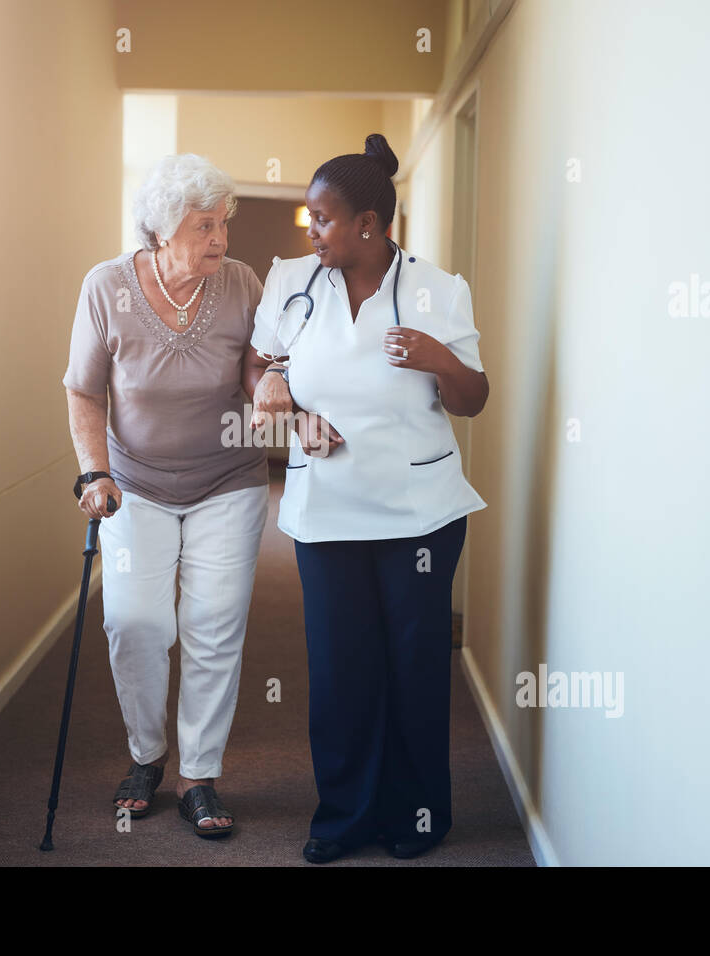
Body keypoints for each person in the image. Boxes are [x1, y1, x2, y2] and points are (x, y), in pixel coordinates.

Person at [243, 133, 490, 863]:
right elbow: (260, 363)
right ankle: (345, 817)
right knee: (342, 671)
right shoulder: (290, 280)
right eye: (310, 218)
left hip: (420, 513)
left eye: (322, 219)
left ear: (370, 225)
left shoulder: (437, 289)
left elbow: (473, 398)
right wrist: (277, 392)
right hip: (326, 512)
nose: (311, 231)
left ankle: (415, 816)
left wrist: (438, 358)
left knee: (414, 666)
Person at [64, 153, 268, 838]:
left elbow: (259, 364)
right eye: (204, 225)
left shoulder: (241, 284)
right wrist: (95, 471)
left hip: (227, 481)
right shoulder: (106, 287)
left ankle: (199, 775)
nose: (222, 239)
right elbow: (85, 390)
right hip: (135, 485)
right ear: (160, 229)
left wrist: (269, 383)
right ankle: (146, 756)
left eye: (223, 223)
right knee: (135, 620)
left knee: (214, 624)